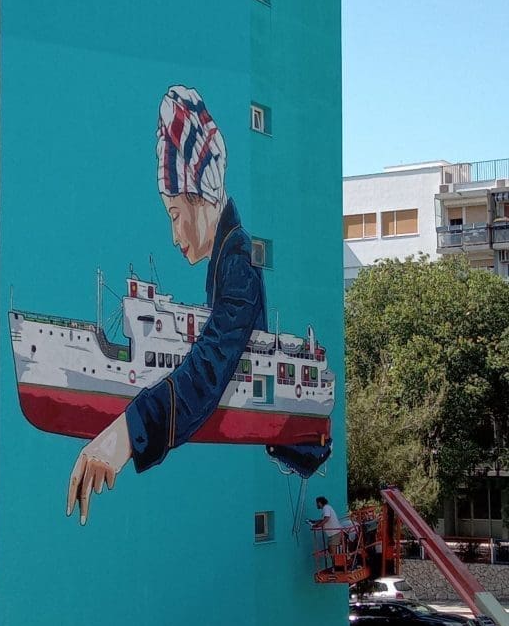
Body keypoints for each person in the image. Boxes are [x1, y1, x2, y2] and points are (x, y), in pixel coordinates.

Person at [67, 85, 332, 524]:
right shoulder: (227, 258)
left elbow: (209, 369)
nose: (174, 236)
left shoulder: (238, 264)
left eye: (175, 216)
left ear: (201, 198)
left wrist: (123, 436)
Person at [311, 496, 342, 569]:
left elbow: (327, 518)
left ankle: (337, 567)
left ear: (319, 503)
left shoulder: (326, 508)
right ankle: (336, 566)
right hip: (332, 533)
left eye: (317, 503)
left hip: (334, 532)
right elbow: (323, 519)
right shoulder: (327, 508)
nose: (316, 505)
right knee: (330, 549)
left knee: (332, 550)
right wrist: (314, 522)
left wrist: (317, 526)